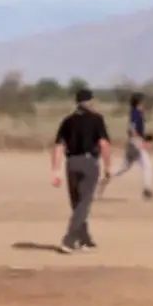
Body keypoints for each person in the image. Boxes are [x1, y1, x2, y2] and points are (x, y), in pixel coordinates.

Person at [51, 88, 112, 253]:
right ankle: (69, 239)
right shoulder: (97, 119)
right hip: (89, 162)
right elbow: (104, 144)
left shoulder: (68, 121)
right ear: (91, 101)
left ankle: (85, 239)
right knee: (83, 204)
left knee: (77, 203)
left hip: (71, 163)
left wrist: (55, 171)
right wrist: (108, 166)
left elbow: (58, 146)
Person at [96, 92, 153, 200]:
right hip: (135, 142)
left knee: (123, 168)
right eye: (142, 100)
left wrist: (144, 137)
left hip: (133, 142)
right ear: (139, 102)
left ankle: (103, 182)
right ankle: (147, 190)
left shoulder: (137, 112)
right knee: (146, 165)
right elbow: (132, 127)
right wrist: (138, 139)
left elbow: (136, 128)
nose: (144, 102)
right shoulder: (136, 112)